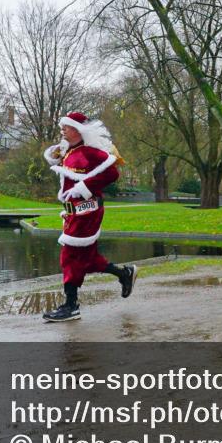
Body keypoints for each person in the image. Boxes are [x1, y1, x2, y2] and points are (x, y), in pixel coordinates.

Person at [41, 112, 137, 322]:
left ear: (77, 129)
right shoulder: (71, 150)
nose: (62, 130)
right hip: (73, 211)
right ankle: (124, 274)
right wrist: (55, 155)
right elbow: (61, 163)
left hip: (87, 209)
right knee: (88, 259)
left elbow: (112, 173)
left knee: (70, 256)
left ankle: (71, 305)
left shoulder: (90, 152)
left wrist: (83, 187)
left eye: (66, 127)